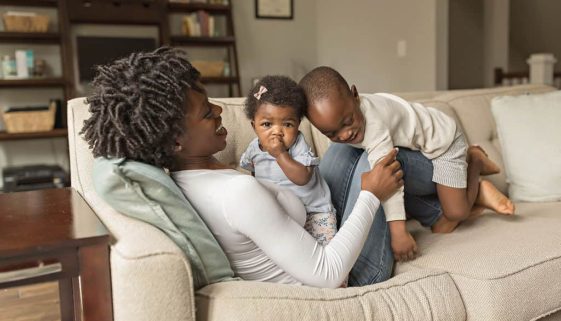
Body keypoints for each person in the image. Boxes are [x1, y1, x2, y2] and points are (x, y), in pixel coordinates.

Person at [81, 47, 442, 288]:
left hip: (323, 236)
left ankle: (441, 195)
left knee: (345, 152)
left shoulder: (190, 173)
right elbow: (328, 274)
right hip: (351, 276)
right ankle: (453, 168)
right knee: (376, 158)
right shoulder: (236, 193)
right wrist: (369, 195)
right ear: (175, 142)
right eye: (208, 113)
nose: (221, 112)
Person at [299, 66, 516, 262]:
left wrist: (399, 233)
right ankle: (473, 194)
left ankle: (474, 161)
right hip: (417, 150)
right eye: (331, 133)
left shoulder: (374, 125)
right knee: (442, 227)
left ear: (355, 95)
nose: (345, 134)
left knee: (457, 212)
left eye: (348, 122)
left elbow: (390, 181)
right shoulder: (343, 118)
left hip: (445, 143)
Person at [240, 75, 337, 247]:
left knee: (325, 257)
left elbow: (302, 178)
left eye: (287, 124)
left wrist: (280, 155)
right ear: (254, 126)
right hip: (283, 217)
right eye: (267, 124)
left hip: (314, 214)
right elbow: (255, 179)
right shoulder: (254, 150)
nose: (277, 131)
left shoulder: (298, 144)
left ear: (298, 125)